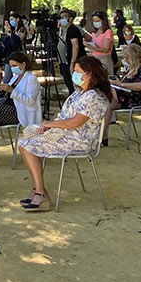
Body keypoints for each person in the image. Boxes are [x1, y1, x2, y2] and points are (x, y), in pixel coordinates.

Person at [15, 55, 111, 211]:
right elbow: (63, 115)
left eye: (78, 71)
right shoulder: (79, 92)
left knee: (26, 146)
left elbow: (75, 122)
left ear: (89, 74)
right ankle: (38, 189)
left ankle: (40, 192)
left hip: (79, 139)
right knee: (26, 139)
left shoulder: (94, 96)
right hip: (66, 133)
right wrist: (48, 126)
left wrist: (51, 124)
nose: (75, 74)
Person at [0, 51, 41, 166]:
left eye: (14, 66)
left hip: (21, 112)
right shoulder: (16, 77)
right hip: (8, 108)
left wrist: (12, 91)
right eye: (11, 66)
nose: (12, 69)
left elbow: (30, 101)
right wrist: (2, 89)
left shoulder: (31, 79)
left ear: (23, 65)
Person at [113, 44, 141, 109]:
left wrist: (121, 84)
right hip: (126, 95)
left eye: (127, 58)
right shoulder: (131, 68)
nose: (125, 60)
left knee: (108, 99)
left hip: (137, 99)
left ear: (134, 57)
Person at [58, 9, 85, 96]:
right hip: (68, 59)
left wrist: (73, 62)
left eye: (64, 17)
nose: (62, 19)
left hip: (77, 60)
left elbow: (75, 46)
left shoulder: (72, 29)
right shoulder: (66, 29)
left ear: (70, 18)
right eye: (61, 17)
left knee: (76, 83)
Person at [84, 11, 116, 75]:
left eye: (98, 21)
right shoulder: (94, 32)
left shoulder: (107, 32)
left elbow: (105, 49)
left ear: (103, 21)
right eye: (94, 21)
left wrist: (91, 47)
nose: (95, 23)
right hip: (94, 58)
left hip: (104, 59)